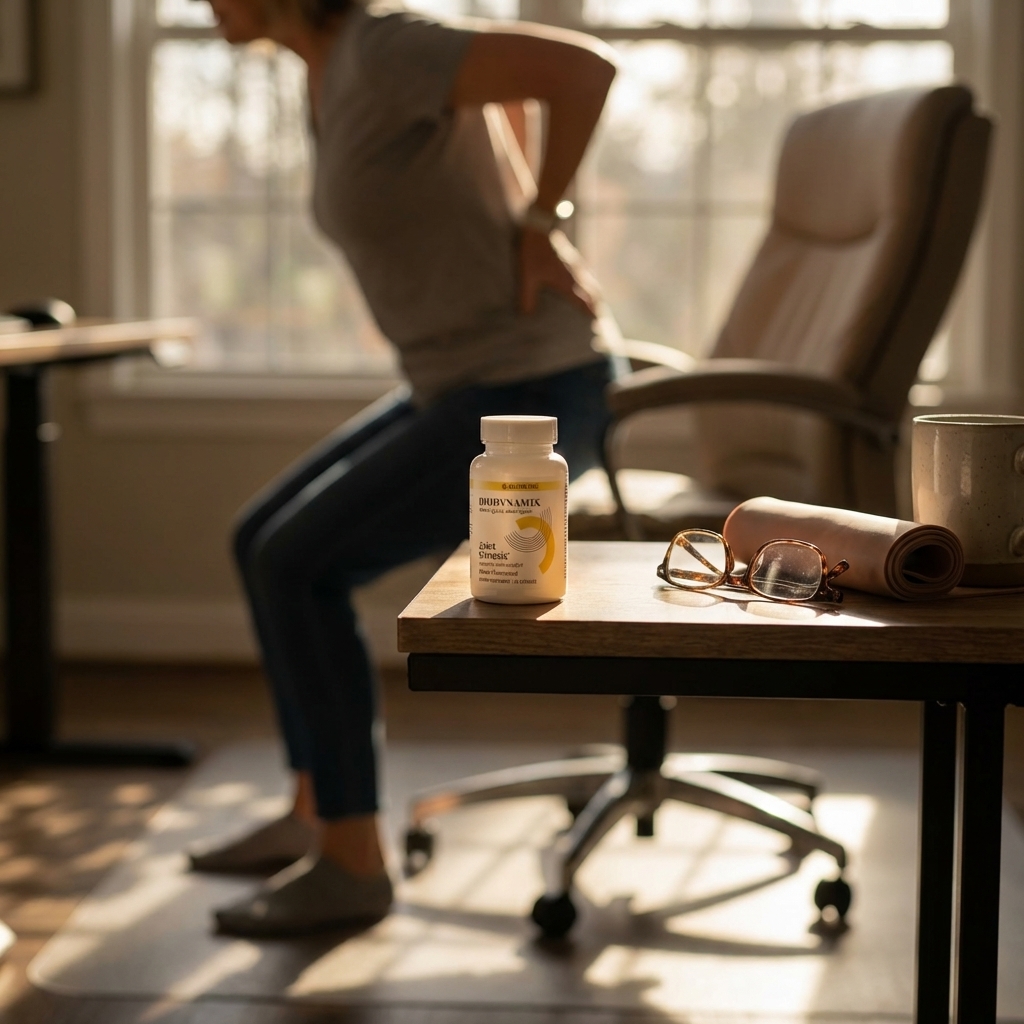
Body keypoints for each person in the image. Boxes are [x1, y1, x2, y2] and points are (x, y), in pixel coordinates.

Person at [188, 0, 617, 938]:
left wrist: (541, 218)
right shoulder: (330, 70)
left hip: (531, 386)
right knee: (260, 538)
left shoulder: (383, 47)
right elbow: (497, 108)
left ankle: (351, 860)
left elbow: (582, 71)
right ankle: (313, 808)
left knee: (299, 562)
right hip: (457, 378)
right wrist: (508, 192)